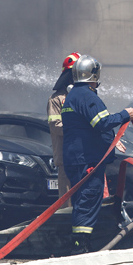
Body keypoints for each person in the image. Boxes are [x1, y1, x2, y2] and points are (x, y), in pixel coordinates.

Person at [61, 54, 133, 254]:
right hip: (87, 160)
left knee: (82, 201)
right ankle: (81, 247)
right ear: (93, 74)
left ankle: (82, 244)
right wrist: (124, 115)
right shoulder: (87, 96)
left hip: (77, 159)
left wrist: (111, 140)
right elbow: (101, 123)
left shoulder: (74, 95)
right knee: (88, 199)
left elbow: (87, 128)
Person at [47, 51, 80, 206]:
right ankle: (67, 229)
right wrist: (79, 128)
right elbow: (56, 127)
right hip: (66, 159)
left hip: (82, 158)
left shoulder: (82, 97)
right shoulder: (56, 100)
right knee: (67, 204)